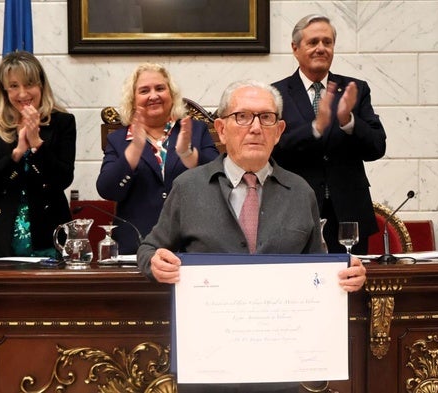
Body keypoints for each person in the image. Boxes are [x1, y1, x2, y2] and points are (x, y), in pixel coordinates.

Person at [137, 80, 366, 393]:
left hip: (280, 371)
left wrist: (345, 272)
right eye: (242, 117)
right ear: (221, 127)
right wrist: (154, 262)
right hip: (208, 370)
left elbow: (319, 268)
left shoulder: (300, 192)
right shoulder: (188, 188)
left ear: (279, 129)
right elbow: (149, 248)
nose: (255, 128)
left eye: (266, 118)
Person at [272, 14, 387, 254]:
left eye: (327, 42)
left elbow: (377, 147)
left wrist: (348, 121)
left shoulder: (356, 89)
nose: (321, 48)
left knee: (350, 287)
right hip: (295, 210)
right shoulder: (277, 93)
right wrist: (315, 127)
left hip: (348, 213)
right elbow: (273, 149)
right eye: (313, 42)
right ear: (295, 48)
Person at [96, 63, 219, 255]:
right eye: (144, 90)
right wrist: (134, 151)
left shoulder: (196, 130)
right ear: (133, 99)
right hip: (137, 246)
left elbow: (220, 180)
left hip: (192, 244)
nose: (154, 95)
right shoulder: (118, 140)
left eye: (160, 88)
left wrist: (189, 156)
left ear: (171, 95)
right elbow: (107, 190)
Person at [0, 51, 76, 258]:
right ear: (4, 90)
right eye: (14, 86)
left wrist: (37, 144)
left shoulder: (62, 122)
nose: (22, 94)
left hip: (48, 232)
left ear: (41, 85)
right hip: (1, 233)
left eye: (29, 84)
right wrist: (17, 154)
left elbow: (63, 179)